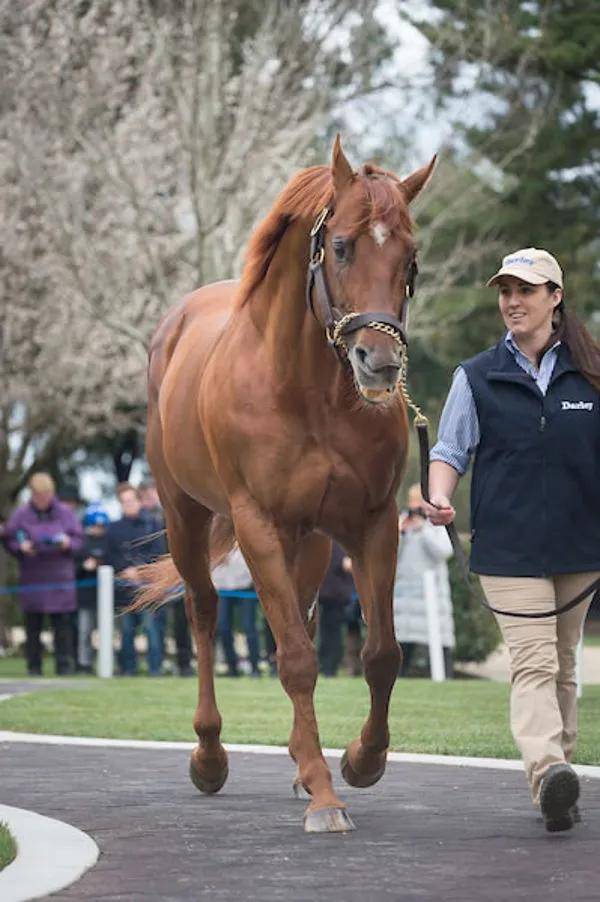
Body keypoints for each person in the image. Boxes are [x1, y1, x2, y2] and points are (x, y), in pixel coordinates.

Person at [424, 247, 600, 833]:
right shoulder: (475, 376)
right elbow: (449, 450)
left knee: (564, 668)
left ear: (555, 297)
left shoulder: (592, 372)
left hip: (580, 545)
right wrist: (438, 493)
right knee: (534, 661)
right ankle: (547, 769)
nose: (512, 301)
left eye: (526, 290)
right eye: (505, 291)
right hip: (509, 548)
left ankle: (560, 782)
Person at [5, 472, 84, 676]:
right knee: (33, 627)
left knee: (63, 627)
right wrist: (20, 547)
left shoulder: (65, 513)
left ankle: (64, 666)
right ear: (32, 494)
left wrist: (67, 543)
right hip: (33, 577)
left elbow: (79, 541)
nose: (42, 500)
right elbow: (8, 538)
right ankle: (34, 666)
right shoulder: (21, 514)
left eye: (46, 495)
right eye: (38, 496)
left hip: (60, 578)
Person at [104, 483, 166, 676]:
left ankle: (155, 669)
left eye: (131, 500)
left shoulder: (153, 526)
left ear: (139, 501)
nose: (127, 505)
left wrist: (140, 571)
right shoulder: (113, 529)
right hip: (124, 591)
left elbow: (158, 553)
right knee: (127, 632)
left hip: (148, 589)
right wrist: (124, 569)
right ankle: (128, 669)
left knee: (152, 632)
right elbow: (110, 555)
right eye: (124, 502)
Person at [393, 484, 455, 677]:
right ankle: (397, 678)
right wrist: (401, 533)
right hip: (404, 594)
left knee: (438, 640)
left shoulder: (435, 525)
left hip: (431, 593)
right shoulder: (403, 521)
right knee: (402, 642)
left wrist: (423, 529)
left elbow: (445, 551)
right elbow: (391, 555)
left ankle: (445, 675)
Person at [138, 479, 194, 676]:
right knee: (155, 626)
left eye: (153, 493)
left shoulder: (171, 515)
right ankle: (157, 664)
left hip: (178, 575)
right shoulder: (142, 521)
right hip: (153, 579)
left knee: (182, 623)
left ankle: (184, 663)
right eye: (146, 496)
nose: (151, 499)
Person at [212, 547, 260, 677]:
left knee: (249, 628)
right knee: (223, 628)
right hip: (223, 588)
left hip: (246, 587)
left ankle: (255, 667)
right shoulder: (218, 536)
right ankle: (232, 667)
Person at [75, 503, 109, 674]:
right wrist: (84, 566)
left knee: (109, 632)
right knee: (84, 631)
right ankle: (84, 663)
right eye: (95, 525)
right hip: (86, 595)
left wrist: (102, 564)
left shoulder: (109, 539)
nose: (98, 529)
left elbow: (114, 560)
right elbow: (74, 567)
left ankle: (110, 662)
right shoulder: (82, 542)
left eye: (101, 525)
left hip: (108, 597)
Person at [317, 543, 355, 677]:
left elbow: (347, 565)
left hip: (334, 595)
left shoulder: (335, 545)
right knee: (330, 632)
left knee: (331, 632)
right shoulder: (338, 544)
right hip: (332, 594)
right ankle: (328, 665)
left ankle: (329, 666)